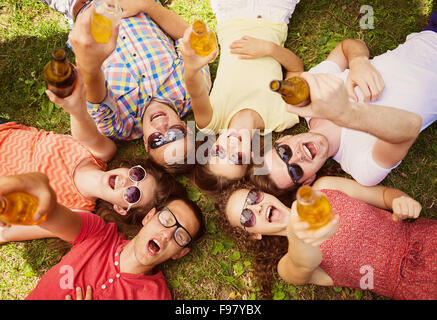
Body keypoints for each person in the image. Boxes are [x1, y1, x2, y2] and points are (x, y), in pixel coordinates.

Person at [251, 12, 437, 195]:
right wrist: (345, 114)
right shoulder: (361, 168)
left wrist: (358, 62)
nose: (297, 157)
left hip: (430, 35)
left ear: (283, 140)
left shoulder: (313, 94)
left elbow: (347, 47)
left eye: (284, 153)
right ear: (308, 180)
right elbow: (409, 128)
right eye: (294, 171)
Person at [0, 69, 181, 243]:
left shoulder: (78, 213)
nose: (127, 182)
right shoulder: (100, 152)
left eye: (133, 194)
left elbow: (5, 232)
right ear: (129, 167)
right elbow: (80, 117)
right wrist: (74, 104)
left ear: (121, 209)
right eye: (136, 175)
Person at [40, 0, 212, 173]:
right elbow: (187, 38)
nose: (162, 127)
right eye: (174, 135)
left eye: (157, 141)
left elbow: (96, 97)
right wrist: (147, 5)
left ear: (146, 143)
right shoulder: (193, 89)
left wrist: (90, 67)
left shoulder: (121, 126)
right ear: (185, 128)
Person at [225, 176, 437, 300]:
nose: (257, 207)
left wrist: (400, 200)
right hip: (418, 286)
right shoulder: (286, 266)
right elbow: (302, 263)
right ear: (255, 235)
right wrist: (299, 237)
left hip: (424, 238)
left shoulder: (323, 188)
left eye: (253, 197)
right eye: (247, 216)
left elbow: (382, 195)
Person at [0, 172, 204, 300]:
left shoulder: (156, 297)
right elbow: (50, 214)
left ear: (180, 253)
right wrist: (35, 198)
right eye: (167, 219)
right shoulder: (98, 233)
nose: (167, 234)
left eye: (180, 235)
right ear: (148, 216)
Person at [179, 0, 303, 191]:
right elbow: (296, 68)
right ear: (252, 159)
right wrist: (269, 49)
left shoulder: (211, 121)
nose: (231, 146)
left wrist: (191, 68)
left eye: (219, 151)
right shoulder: (283, 116)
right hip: (274, 14)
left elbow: (195, 91)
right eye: (237, 158)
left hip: (231, 13)